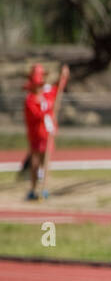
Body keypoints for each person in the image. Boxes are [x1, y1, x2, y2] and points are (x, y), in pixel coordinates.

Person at [23, 64, 69, 201]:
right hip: (36, 135)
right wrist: (49, 108)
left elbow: (59, 88)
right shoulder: (30, 100)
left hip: (47, 133)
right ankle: (33, 188)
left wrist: (64, 76)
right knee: (35, 162)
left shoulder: (47, 94)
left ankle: (44, 188)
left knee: (46, 162)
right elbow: (36, 115)